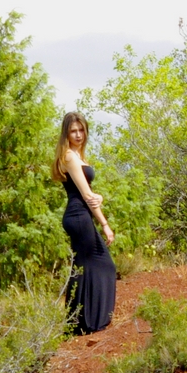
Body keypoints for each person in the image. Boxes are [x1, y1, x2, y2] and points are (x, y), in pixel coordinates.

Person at [52, 111, 116, 334]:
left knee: (83, 267)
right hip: (79, 217)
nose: (78, 134)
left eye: (81, 130)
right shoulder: (69, 156)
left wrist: (99, 197)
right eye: (73, 131)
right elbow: (87, 196)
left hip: (79, 215)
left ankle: (79, 322)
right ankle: (92, 322)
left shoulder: (78, 156)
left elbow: (88, 195)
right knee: (103, 264)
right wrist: (105, 224)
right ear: (66, 134)